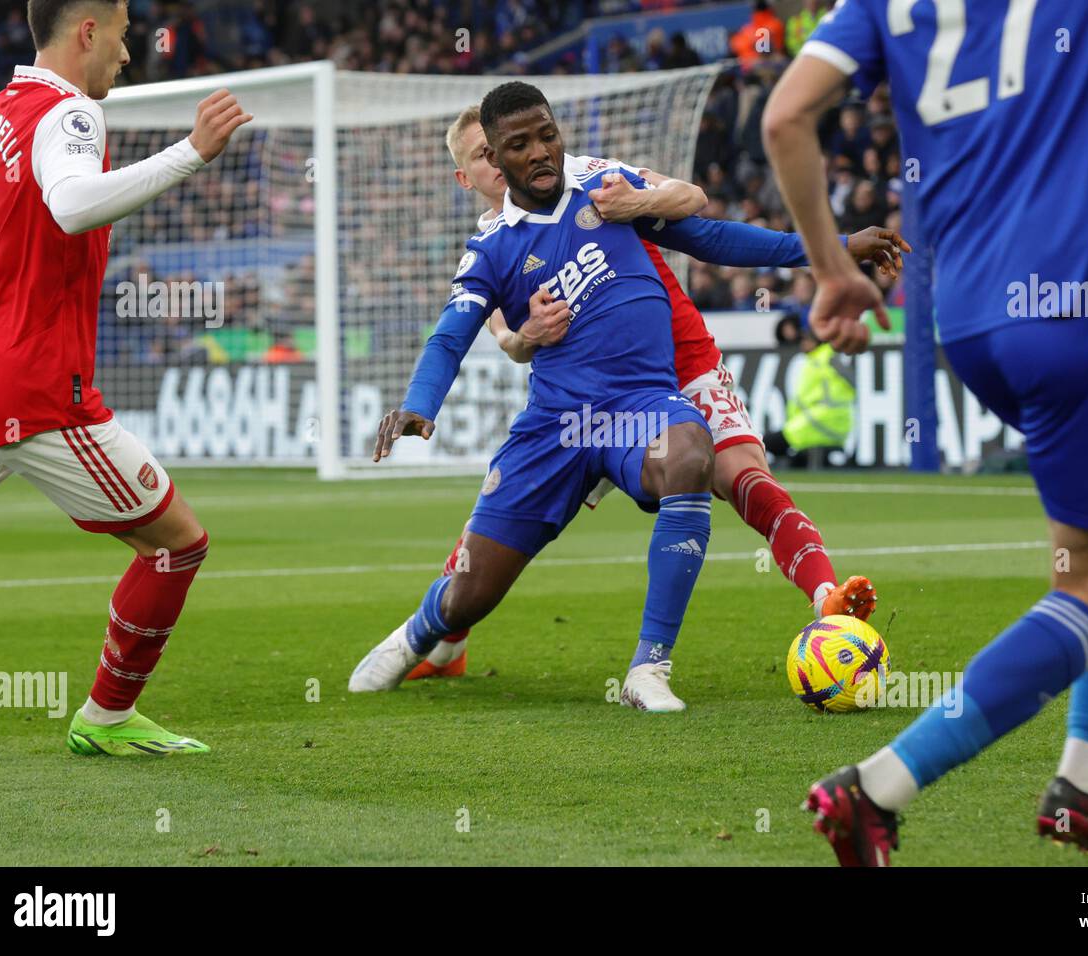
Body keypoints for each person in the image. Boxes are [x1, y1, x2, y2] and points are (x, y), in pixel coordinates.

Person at [761, 0, 1088, 865]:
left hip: (970, 314)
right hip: (1086, 302)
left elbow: (783, 117)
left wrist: (830, 268)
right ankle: (880, 786)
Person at [381, 102, 906, 686]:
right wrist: (525, 335)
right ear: (471, 174)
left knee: (742, 477)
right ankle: (445, 636)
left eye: (534, 140)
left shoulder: (586, 176)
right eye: (486, 154)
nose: (510, 161)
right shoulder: (491, 247)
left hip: (680, 359)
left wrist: (644, 201)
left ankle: (824, 598)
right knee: (492, 536)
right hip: (587, 395)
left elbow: (695, 204)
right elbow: (505, 341)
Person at [0, 0, 251, 755]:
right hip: (35, 390)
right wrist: (190, 152)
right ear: (88, 30)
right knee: (177, 543)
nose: (128, 55)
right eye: (123, 37)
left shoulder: (0, 109)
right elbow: (70, 207)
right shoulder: (70, 114)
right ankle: (107, 717)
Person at [763, 339, 855, 465]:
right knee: (794, 458)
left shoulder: (827, 358)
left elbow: (852, 381)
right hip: (817, 422)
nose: (802, 343)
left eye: (806, 339)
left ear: (816, 342)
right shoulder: (816, 359)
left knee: (764, 442)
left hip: (818, 423)